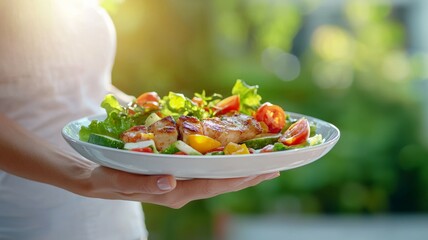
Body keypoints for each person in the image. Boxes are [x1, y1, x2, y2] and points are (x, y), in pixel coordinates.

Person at [0, 1, 279, 239]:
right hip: (29, 216)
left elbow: (84, 88)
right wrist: (82, 174)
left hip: (117, 217)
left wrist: (170, 119)